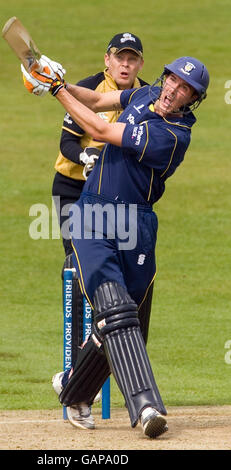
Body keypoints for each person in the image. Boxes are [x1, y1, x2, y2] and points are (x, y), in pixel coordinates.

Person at [21, 55, 209, 438]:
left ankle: (73, 387)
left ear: (193, 98)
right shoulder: (145, 94)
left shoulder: (174, 136)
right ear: (165, 78)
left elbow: (101, 131)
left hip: (136, 222)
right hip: (93, 213)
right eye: (172, 80)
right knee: (115, 305)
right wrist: (57, 81)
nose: (173, 91)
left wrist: (57, 91)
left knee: (126, 321)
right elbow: (94, 103)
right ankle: (148, 407)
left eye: (184, 89)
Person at [50, 33, 154, 393]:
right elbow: (66, 142)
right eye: (119, 58)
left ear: (140, 64)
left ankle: (100, 361)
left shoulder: (143, 97)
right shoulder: (91, 88)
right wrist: (86, 157)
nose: (125, 65)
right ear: (107, 60)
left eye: (133, 59)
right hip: (73, 190)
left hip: (113, 198)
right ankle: (76, 369)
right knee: (80, 272)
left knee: (117, 282)